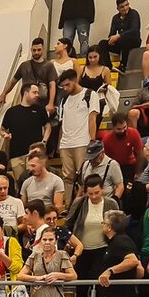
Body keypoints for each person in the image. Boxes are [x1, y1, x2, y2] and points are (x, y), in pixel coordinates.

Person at [66, 173, 119, 297]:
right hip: (82, 249)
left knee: (99, 281)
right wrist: (72, 242)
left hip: (102, 248)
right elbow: (68, 223)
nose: (94, 196)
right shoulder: (79, 203)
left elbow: (118, 226)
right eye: (90, 194)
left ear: (102, 189)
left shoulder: (111, 204)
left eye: (97, 193)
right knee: (81, 283)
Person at [56, 70, 101, 200]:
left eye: (67, 85)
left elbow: (92, 119)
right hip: (66, 143)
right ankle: (69, 205)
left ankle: (84, 203)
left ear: (75, 80)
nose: (65, 88)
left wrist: (92, 141)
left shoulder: (89, 94)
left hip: (82, 141)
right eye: (63, 86)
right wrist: (60, 143)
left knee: (84, 175)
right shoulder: (64, 99)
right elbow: (62, 122)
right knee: (67, 177)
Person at [0, 38, 57, 114]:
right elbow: (13, 82)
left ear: (43, 49)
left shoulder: (49, 65)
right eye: (34, 50)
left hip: (41, 103)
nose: (36, 52)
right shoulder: (24, 65)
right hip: (25, 103)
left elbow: (52, 85)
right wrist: (4, 93)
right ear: (31, 49)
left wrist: (51, 103)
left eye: (39, 50)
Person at [101, 112, 144, 186]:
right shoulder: (107, 139)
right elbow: (106, 159)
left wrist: (138, 172)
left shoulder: (134, 133)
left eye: (124, 127)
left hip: (130, 165)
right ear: (113, 127)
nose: (122, 131)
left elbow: (139, 153)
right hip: (115, 166)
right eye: (119, 129)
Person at [98, 0, 142, 70]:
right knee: (102, 43)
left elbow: (134, 30)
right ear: (117, 9)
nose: (125, 8)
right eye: (122, 7)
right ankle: (108, 67)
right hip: (121, 43)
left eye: (126, 5)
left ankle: (123, 65)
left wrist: (119, 36)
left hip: (133, 41)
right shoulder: (115, 18)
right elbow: (112, 33)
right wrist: (111, 39)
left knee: (125, 39)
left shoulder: (134, 13)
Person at [20, 149, 65, 213]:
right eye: (29, 166)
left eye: (33, 166)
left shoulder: (56, 181)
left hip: (47, 215)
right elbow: (22, 206)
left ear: (43, 164)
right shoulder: (27, 182)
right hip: (31, 216)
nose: (30, 169)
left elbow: (58, 206)